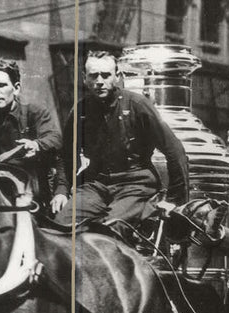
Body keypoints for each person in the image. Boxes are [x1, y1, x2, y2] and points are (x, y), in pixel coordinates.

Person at [55, 50, 188, 228]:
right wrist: (62, 190)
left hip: (135, 185)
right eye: (93, 76)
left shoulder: (137, 105)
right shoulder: (80, 111)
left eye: (106, 75)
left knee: (110, 228)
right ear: (84, 78)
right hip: (96, 185)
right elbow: (66, 155)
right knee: (60, 226)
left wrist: (176, 200)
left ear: (117, 76)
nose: (99, 82)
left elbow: (175, 150)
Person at [0, 58, 68, 213]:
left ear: (16, 88)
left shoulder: (34, 113)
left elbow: (55, 140)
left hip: (32, 195)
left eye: (2, 85)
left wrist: (36, 145)